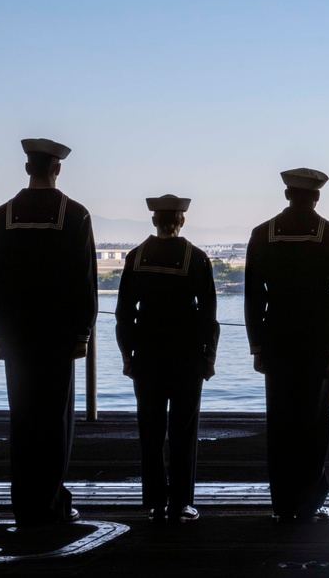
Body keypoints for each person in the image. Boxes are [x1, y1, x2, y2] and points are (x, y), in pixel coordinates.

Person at [0, 138, 98, 526]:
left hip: (16, 336)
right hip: (58, 336)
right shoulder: (75, 214)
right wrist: (82, 333)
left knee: (23, 419)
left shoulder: (2, 215)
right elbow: (85, 281)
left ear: (27, 168)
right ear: (57, 169)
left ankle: (24, 504)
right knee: (55, 421)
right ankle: (51, 504)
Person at [244, 168, 329, 524]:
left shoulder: (262, 235)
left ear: (287, 194)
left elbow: (253, 298)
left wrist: (257, 345)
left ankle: (282, 503)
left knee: (280, 424)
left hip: (276, 341)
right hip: (319, 342)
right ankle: (310, 499)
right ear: (316, 197)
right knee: (314, 424)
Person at [115, 195, 219, 523]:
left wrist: (127, 354)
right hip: (186, 357)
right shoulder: (198, 258)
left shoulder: (135, 257)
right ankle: (181, 503)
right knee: (183, 431)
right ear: (182, 220)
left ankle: (155, 502)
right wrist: (209, 356)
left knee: (150, 428)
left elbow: (124, 314)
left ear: (153, 221)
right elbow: (208, 316)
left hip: (147, 356)